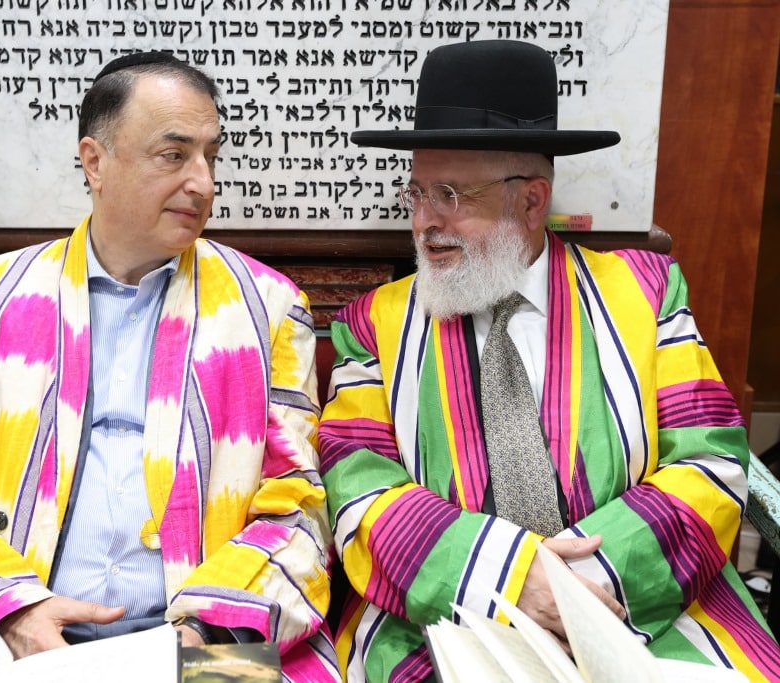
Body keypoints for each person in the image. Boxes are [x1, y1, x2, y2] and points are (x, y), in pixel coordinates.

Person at [0, 51, 340, 680]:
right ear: (95, 162)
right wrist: (13, 610)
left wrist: (201, 633)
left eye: (210, 156)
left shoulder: (267, 309)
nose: (203, 182)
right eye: (174, 155)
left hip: (201, 637)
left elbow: (298, 506)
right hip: (13, 632)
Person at [319, 40, 780, 682]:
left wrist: (577, 588)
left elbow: (709, 460)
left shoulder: (646, 293)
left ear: (533, 202)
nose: (424, 222)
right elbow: (360, 490)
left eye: (450, 194)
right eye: (417, 193)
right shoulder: (371, 326)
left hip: (642, 603)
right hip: (442, 616)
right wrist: (508, 578)